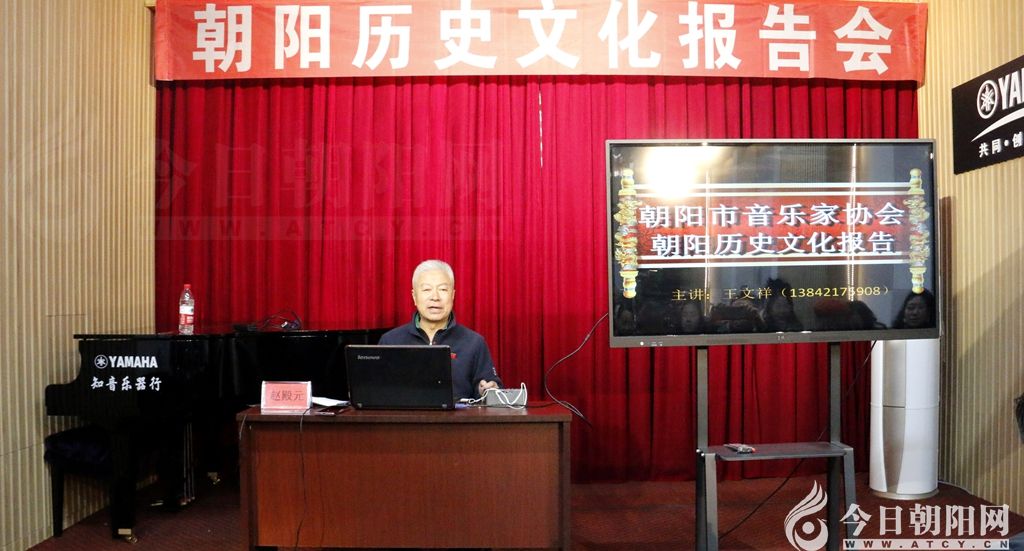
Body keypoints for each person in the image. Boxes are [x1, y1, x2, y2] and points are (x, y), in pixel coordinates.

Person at [379, 259, 501, 400]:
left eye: (443, 289)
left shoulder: (474, 342)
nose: (435, 297)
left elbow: (491, 391)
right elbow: (376, 392)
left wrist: (488, 390)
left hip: (459, 415)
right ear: (414, 296)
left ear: (452, 295)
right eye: (427, 290)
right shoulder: (390, 341)